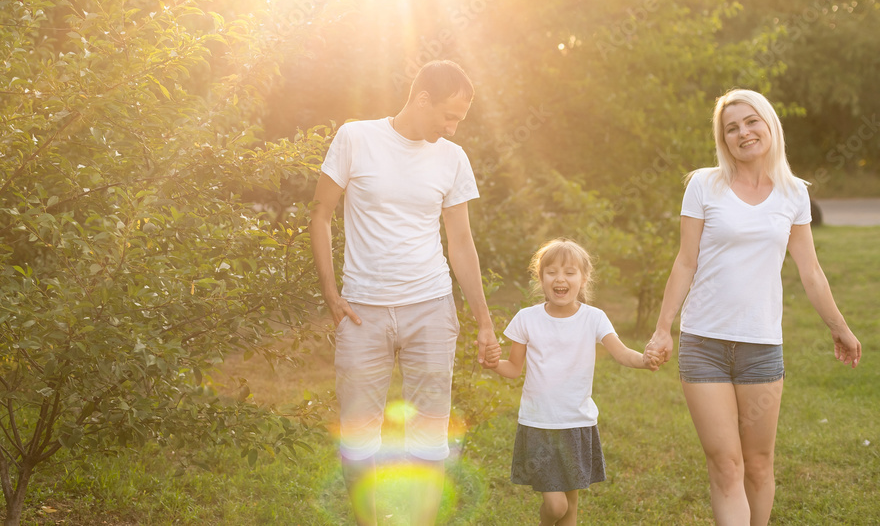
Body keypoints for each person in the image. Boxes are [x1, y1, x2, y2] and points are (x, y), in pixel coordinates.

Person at [647, 88, 862, 526]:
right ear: (723, 140)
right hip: (703, 343)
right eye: (731, 128)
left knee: (759, 464)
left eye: (750, 122)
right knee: (726, 464)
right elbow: (685, 261)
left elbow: (811, 271)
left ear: (768, 125)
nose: (742, 132)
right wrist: (662, 327)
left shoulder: (793, 193)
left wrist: (839, 327)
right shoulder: (704, 184)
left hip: (761, 348)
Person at [309, 60, 499, 526]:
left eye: (460, 120)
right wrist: (332, 294)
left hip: (431, 309)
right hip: (362, 313)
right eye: (448, 116)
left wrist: (484, 319)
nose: (453, 127)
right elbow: (320, 214)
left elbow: (460, 242)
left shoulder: (452, 158)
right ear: (421, 99)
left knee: (431, 437)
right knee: (358, 439)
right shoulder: (355, 138)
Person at [487, 238, 661, 526]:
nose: (560, 279)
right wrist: (493, 364)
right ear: (540, 278)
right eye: (551, 272)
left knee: (571, 506)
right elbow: (513, 368)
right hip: (539, 424)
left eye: (570, 272)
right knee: (555, 507)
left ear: (583, 278)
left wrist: (644, 360)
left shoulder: (594, 318)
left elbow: (621, 353)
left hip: (577, 423)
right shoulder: (526, 319)